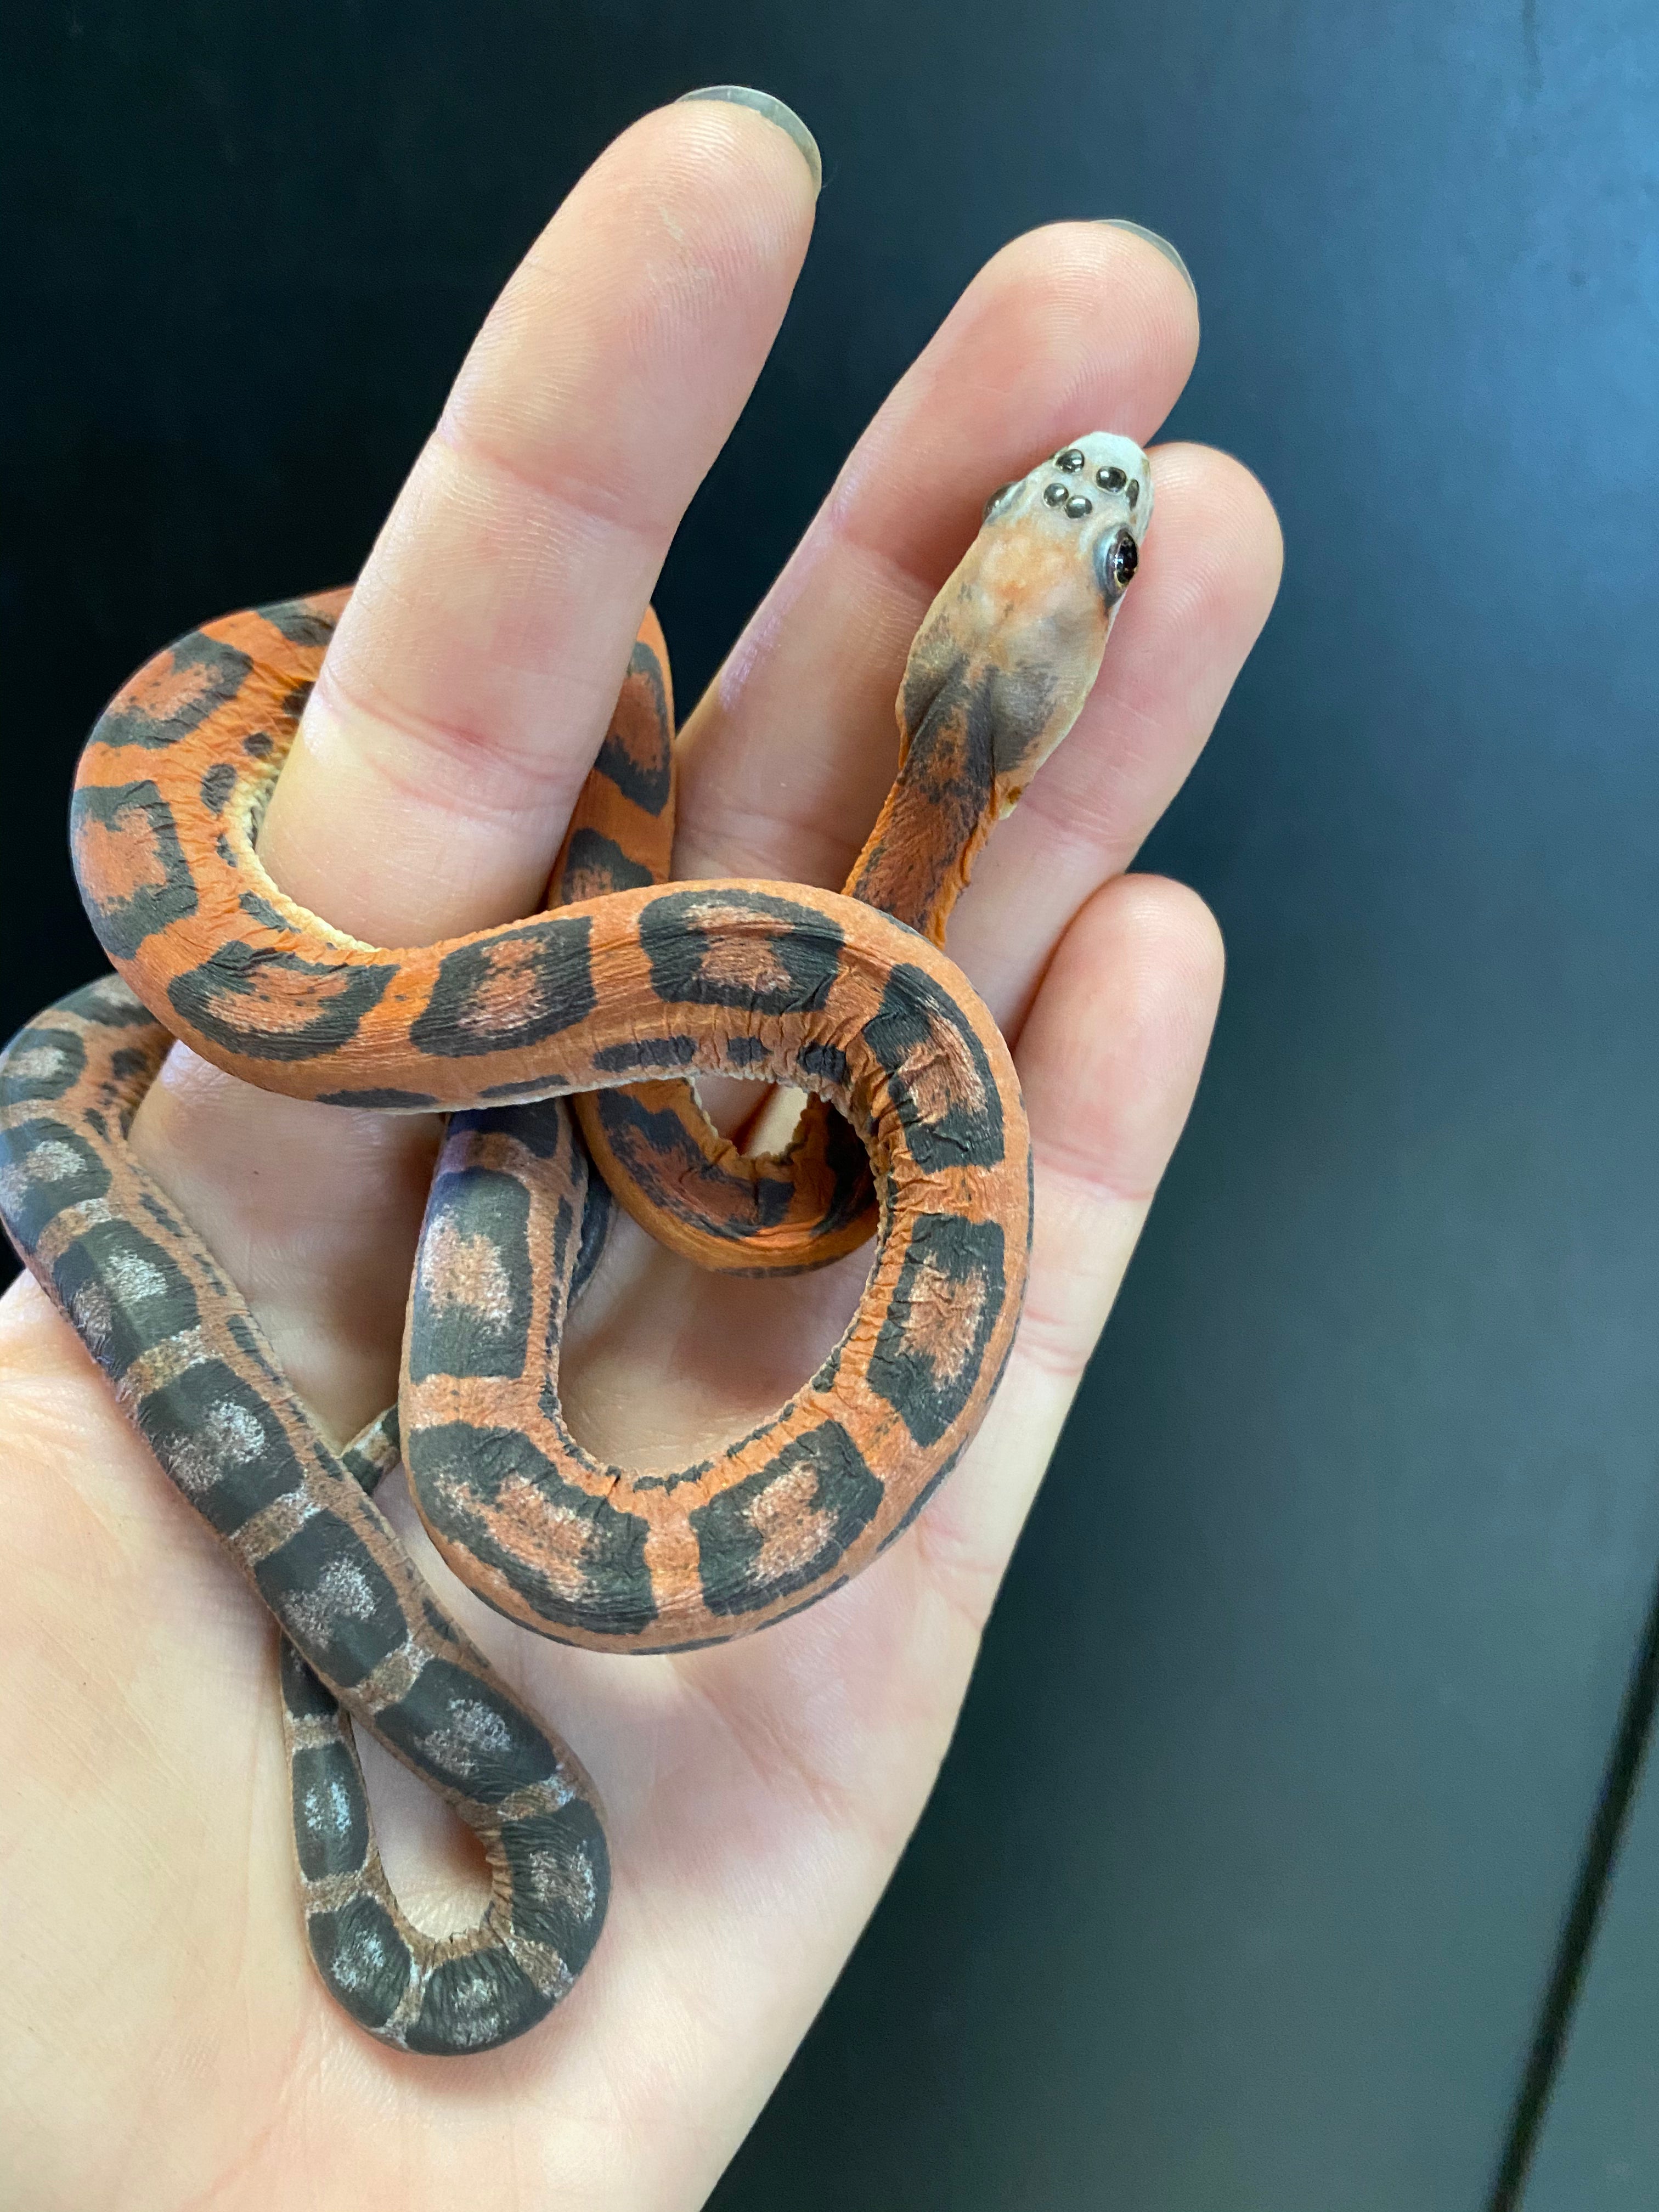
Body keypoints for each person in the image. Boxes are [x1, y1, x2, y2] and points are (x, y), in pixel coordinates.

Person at [0, 88, 1280, 2209]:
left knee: (162, 1085)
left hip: (593, 1236)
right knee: (137, 1069)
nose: (1091, 508)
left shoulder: (826, 1082)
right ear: (972, 646)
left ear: (965, 650)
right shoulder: (823, 1017)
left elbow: (752, 1168)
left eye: (1096, 557)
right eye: (1072, 547)